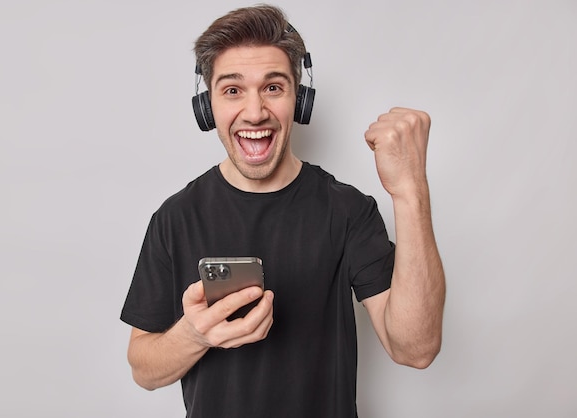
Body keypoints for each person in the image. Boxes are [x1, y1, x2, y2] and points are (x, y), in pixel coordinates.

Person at [120, 4, 445, 417]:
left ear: (300, 98)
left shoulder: (348, 210)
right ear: (207, 107)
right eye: (232, 90)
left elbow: (415, 349)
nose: (254, 113)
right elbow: (143, 370)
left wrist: (411, 189)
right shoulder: (175, 218)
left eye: (273, 87)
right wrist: (194, 335)